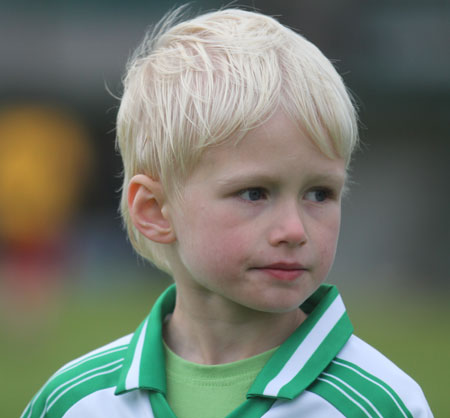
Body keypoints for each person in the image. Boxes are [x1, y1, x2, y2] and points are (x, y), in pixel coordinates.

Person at [22, 7, 433, 418]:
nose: (294, 230)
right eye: (255, 193)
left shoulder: (380, 404)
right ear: (155, 211)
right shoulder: (74, 401)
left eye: (319, 194)